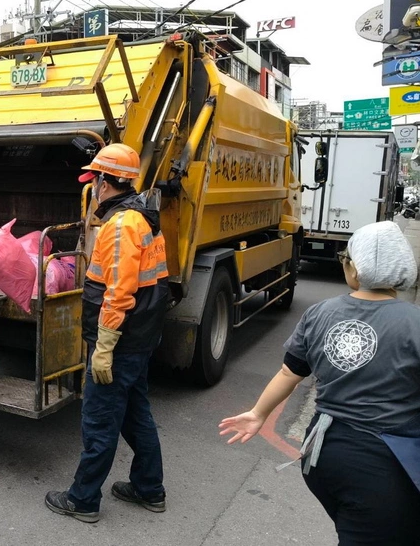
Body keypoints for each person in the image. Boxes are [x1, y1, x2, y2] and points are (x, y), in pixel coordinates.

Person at [219, 221, 420, 545]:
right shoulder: (414, 323)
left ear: (353, 269)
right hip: (384, 463)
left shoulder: (320, 313)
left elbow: (289, 373)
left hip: (322, 453)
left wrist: (258, 414)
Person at [45, 143, 170, 523]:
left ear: (104, 182)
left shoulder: (120, 225)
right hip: (140, 336)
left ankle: (83, 499)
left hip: (120, 340)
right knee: (135, 413)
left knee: (99, 420)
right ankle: (149, 488)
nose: (93, 188)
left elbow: (119, 291)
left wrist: (105, 345)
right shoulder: (142, 216)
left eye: (95, 180)